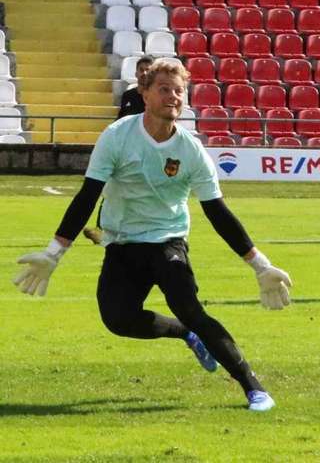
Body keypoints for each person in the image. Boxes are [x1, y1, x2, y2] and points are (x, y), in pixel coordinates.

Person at [13, 59, 294, 412]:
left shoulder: (191, 151)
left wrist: (260, 265)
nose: (172, 97)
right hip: (122, 242)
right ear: (144, 94)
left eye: (179, 91)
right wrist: (54, 252)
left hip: (167, 240)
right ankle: (185, 334)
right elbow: (88, 196)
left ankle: (254, 388)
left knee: (189, 308)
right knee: (118, 320)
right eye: (163, 89)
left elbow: (217, 212)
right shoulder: (117, 138)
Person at [83, 55, 155, 245]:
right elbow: (120, 120)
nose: (145, 73)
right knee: (111, 188)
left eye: (148, 69)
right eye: (141, 69)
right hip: (126, 150)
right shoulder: (129, 96)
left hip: (149, 152)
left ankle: (146, 229)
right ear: (136, 73)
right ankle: (101, 229)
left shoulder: (157, 97)